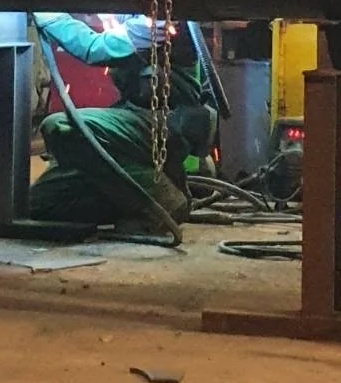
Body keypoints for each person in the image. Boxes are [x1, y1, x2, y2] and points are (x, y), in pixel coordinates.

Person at [29, 12, 213, 229]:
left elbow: (92, 48)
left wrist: (50, 14)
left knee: (61, 127)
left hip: (163, 124)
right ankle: (144, 195)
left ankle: (160, 200)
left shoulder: (159, 19)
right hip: (135, 118)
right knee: (41, 201)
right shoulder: (128, 12)